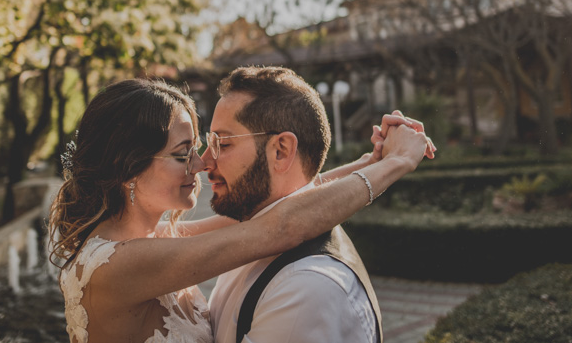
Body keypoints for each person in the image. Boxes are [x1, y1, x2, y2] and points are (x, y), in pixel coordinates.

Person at [49, 76, 433, 343]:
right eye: (184, 154)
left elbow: (280, 208)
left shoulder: (151, 242)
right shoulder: (118, 265)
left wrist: (370, 160)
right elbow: (279, 229)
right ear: (126, 166)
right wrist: (397, 164)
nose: (201, 164)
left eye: (213, 145)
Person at [205, 65, 410, 343]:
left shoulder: (305, 288)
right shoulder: (250, 234)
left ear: (281, 151)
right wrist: (370, 164)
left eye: (223, 143)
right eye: (209, 141)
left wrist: (391, 163)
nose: (204, 161)